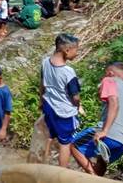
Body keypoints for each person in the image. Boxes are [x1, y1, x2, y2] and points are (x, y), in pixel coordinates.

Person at [71, 62, 123, 176]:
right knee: (101, 161)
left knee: (72, 144)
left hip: (109, 134)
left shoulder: (109, 80)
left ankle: (94, 178)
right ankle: (96, 176)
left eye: (105, 73)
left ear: (110, 73)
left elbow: (114, 102)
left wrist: (105, 131)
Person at [40, 33, 82, 167]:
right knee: (65, 143)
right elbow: (75, 97)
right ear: (67, 50)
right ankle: (61, 173)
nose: (77, 53)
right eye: (76, 50)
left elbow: (42, 84)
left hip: (48, 105)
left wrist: (41, 101)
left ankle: (43, 163)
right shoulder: (68, 72)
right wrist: (78, 107)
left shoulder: (45, 61)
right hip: (63, 112)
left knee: (50, 135)